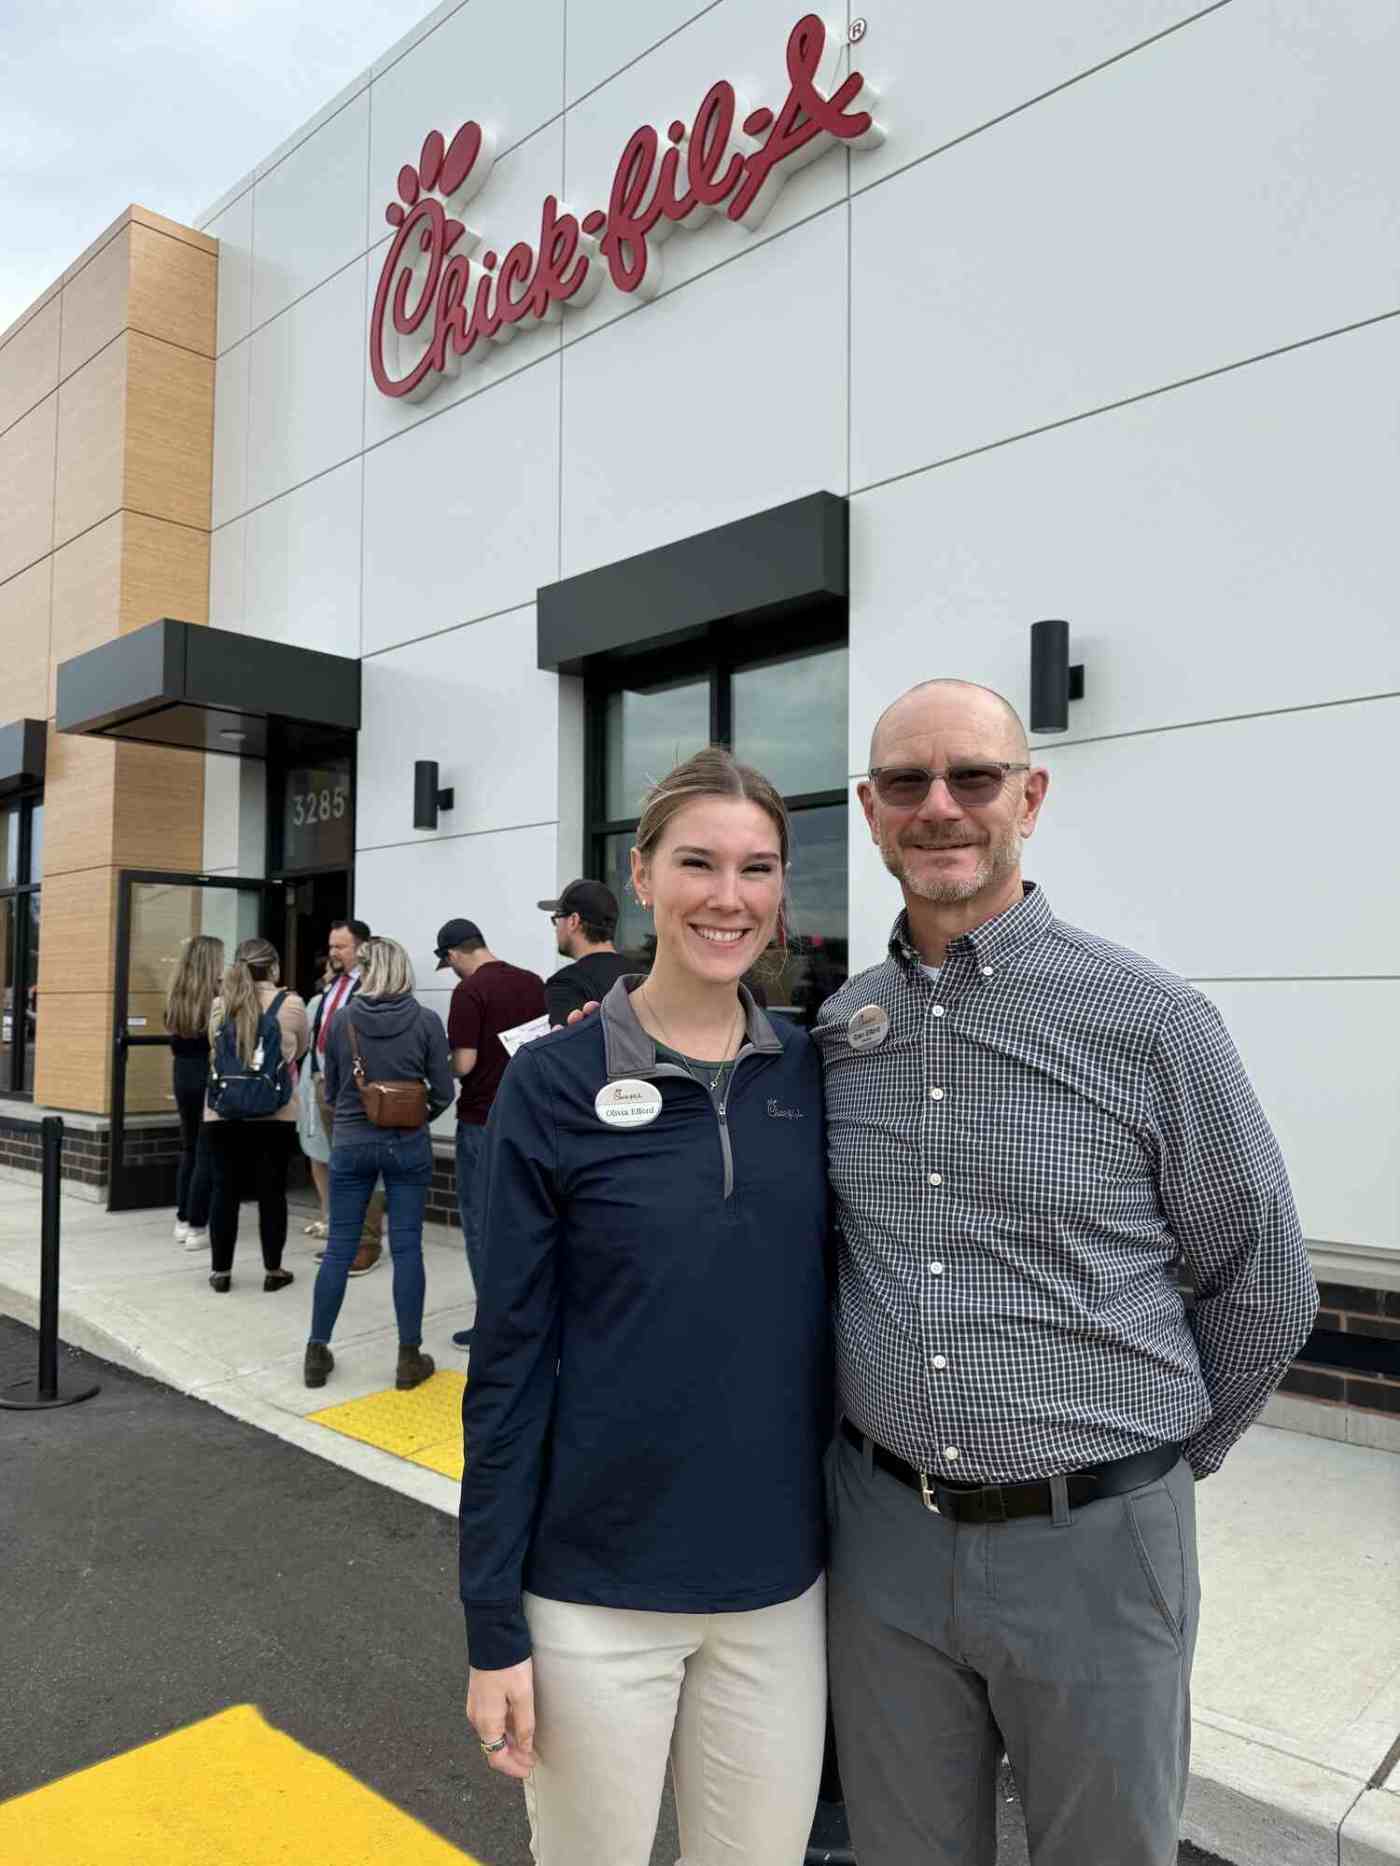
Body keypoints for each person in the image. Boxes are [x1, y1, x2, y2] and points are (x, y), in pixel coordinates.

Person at [817, 679, 1319, 1866]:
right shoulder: (840, 1030)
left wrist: (1148, 1471)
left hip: (1096, 1546)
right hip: (882, 1538)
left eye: (972, 778)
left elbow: (1263, 1281)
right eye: (906, 783)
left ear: (1027, 797)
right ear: (870, 810)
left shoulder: (1150, 1020)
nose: (939, 807)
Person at [459, 748, 830, 1866]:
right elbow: (510, 1364)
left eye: (756, 868)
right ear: (642, 876)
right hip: (594, 1597)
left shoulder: (810, 1072)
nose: (729, 896)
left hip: (777, 1595)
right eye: (698, 863)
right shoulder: (553, 1085)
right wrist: (491, 1627)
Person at [304, 936, 454, 1392]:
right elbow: (444, 1091)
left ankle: (316, 1351)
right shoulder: (426, 1021)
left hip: (351, 1143)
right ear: (404, 970)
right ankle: (409, 1357)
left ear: (367, 972)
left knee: (339, 1249)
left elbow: (330, 1091)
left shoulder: (344, 1020)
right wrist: (414, 1114)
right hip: (407, 1145)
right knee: (408, 1248)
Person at [436, 918, 546, 1349]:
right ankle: (530, 1314)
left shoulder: (469, 992)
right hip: (531, 1120)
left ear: (453, 955)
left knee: (483, 1224)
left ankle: (494, 1327)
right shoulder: (532, 982)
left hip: (483, 1122)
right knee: (527, 1220)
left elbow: (463, 1063)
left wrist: (438, 1064)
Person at [204, 937, 309, 1295]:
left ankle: (220, 1272)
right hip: (275, 1113)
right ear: (274, 968)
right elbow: (301, 1050)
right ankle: (273, 1269)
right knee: (272, 1192)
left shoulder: (221, 1005)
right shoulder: (291, 1004)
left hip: (222, 1113)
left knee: (224, 1191)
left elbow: (213, 1050)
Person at [307, 918, 385, 1275]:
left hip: (357, 1091)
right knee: (341, 1169)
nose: (333, 953)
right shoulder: (333, 984)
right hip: (328, 1087)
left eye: (341, 946)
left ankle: (367, 1244)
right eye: (332, 946)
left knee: (361, 1169)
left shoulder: (373, 985)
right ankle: (343, 1243)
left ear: (361, 949)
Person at [164, 932, 223, 1253]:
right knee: (206, 1150)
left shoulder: (177, 993)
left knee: (189, 1146)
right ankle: (198, 1226)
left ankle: (183, 1218)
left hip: (181, 1073)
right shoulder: (216, 997)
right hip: (207, 1073)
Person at [537, 879, 634, 1026]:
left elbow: (566, 1045)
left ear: (573, 921)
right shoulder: (643, 975)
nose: (556, 928)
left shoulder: (565, 984)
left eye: (557, 919)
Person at [295, 953, 333, 1241]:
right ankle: (330, 1216)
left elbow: (300, 1043)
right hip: (319, 1082)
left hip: (320, 1083)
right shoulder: (320, 1002)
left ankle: (330, 1217)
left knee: (320, 1153)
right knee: (319, 1152)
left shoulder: (320, 1003)